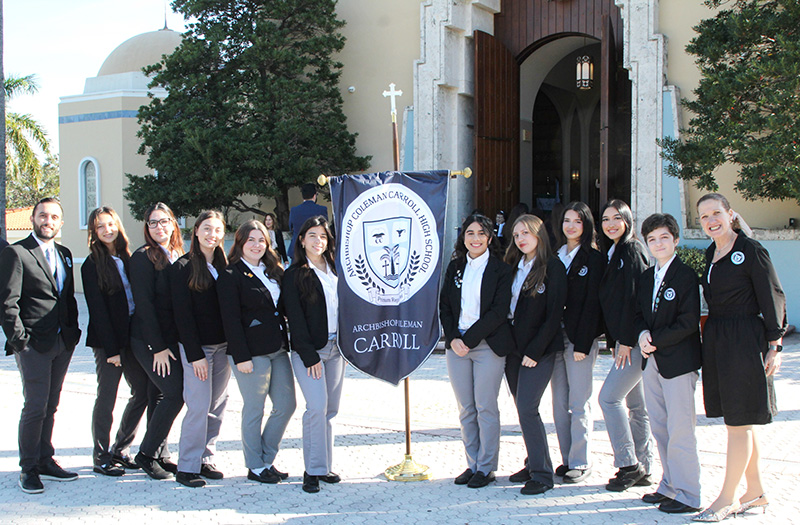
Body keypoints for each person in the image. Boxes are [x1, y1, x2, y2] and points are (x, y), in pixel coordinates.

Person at [692, 193, 786, 522]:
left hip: (746, 339)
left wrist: (775, 344)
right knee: (741, 420)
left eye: (716, 213)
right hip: (719, 339)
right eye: (703, 216)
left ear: (730, 214)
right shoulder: (711, 253)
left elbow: (772, 294)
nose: (710, 220)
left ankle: (726, 498)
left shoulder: (750, 251)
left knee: (738, 424)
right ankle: (755, 491)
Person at [0, 197, 82, 494]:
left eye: (54, 217)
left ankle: (46, 460)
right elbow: (8, 303)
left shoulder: (65, 253)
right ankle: (29, 468)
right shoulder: (17, 252)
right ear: (34, 219)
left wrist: (73, 332)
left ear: (61, 222)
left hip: (62, 342)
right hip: (33, 344)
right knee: (35, 406)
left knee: (51, 404)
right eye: (43, 216)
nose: (49, 221)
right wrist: (20, 342)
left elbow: (67, 296)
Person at [439, 214, 514, 489]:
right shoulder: (455, 267)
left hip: (488, 346)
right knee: (466, 409)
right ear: (463, 237)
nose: (475, 238)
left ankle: (487, 467)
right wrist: (454, 337)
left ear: (490, 237)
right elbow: (445, 305)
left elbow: (498, 311)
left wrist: (468, 339)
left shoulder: (502, 270)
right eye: (470, 233)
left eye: (481, 233)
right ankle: (472, 463)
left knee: (485, 407)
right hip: (457, 347)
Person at [218, 220, 296, 484]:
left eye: (261, 239)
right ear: (239, 243)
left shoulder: (274, 270)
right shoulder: (230, 275)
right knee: (255, 409)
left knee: (286, 405)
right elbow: (230, 320)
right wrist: (241, 357)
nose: (256, 245)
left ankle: (266, 458)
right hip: (250, 353)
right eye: (250, 239)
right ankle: (255, 466)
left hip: (277, 348)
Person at [634, 213, 702, 515]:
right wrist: (641, 335)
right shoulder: (647, 277)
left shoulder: (686, 276)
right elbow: (638, 315)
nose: (658, 243)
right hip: (652, 362)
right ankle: (669, 485)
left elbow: (688, 322)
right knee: (660, 427)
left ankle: (688, 493)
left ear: (675, 240)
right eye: (651, 239)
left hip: (678, 363)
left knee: (680, 430)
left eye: (663, 237)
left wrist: (656, 339)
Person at [81, 206, 150, 477]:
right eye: (100, 226)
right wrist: (112, 351)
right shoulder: (91, 264)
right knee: (107, 397)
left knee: (142, 391)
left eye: (110, 224)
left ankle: (121, 449)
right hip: (108, 342)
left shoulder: (128, 257)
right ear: (94, 233)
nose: (107, 229)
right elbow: (97, 311)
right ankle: (100, 456)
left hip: (132, 337)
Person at [505, 214, 567, 495]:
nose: (520, 239)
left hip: (537, 351)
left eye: (525, 233)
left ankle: (542, 475)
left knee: (529, 408)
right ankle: (533, 463)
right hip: (513, 351)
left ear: (538, 235)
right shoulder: (513, 266)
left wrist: (535, 350)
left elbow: (554, 315)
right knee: (523, 410)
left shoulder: (552, 267)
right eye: (516, 235)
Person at [282, 216, 343, 494]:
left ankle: (325, 466)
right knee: (316, 407)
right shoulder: (295, 273)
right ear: (301, 240)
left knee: (330, 410)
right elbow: (294, 318)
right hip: (311, 351)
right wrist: (309, 356)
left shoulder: (336, 269)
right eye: (312, 235)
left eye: (323, 236)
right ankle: (312, 470)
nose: (318, 241)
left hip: (337, 349)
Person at [597, 199, 655, 491]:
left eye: (616, 218)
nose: (610, 224)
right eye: (605, 219)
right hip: (626, 341)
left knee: (608, 399)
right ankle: (644, 467)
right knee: (636, 405)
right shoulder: (615, 250)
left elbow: (636, 298)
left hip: (632, 343)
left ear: (628, 220)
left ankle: (628, 464)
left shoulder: (631, 250)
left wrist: (626, 341)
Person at [171, 211, 230, 488]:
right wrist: (195, 355)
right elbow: (182, 316)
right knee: (198, 406)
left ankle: (206, 458)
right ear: (195, 231)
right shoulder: (182, 267)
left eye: (217, 230)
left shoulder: (225, 265)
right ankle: (187, 466)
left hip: (223, 349)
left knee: (217, 406)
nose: (212, 235)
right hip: (198, 351)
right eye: (207, 229)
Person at [548, 202, 605, 484]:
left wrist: (584, 343)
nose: (571, 226)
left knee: (579, 402)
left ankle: (581, 462)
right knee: (559, 403)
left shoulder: (594, 259)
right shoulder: (554, 256)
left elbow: (594, 305)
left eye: (577, 221)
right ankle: (567, 458)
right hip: (554, 339)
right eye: (567, 220)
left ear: (587, 225)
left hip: (579, 340)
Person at [129, 202, 185, 480]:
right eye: (153, 222)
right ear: (147, 227)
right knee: (175, 392)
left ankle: (161, 455)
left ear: (173, 223)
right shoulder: (142, 258)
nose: (159, 227)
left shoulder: (178, 254)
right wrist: (157, 348)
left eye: (164, 221)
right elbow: (144, 305)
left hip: (172, 339)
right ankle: (146, 454)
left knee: (159, 395)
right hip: (149, 340)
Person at [287, 183, 328, 260]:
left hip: (297, 248)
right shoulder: (322, 209)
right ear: (314, 195)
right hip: (316, 248)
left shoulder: (294, 210)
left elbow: (291, 227)